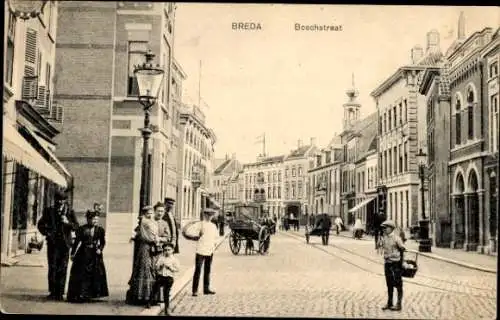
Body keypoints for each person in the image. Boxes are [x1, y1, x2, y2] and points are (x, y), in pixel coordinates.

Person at [37, 190, 79, 301]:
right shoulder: (49, 211)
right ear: (55, 200)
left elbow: (76, 226)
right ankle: (52, 292)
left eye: (62, 200)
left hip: (65, 244)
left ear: (65, 201)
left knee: (63, 268)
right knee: (53, 267)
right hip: (53, 244)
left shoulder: (70, 212)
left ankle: (60, 293)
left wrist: (67, 223)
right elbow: (40, 224)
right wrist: (48, 233)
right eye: (58, 200)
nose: (60, 202)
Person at [67, 210, 109, 302]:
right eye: (93, 219)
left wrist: (100, 249)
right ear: (88, 220)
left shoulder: (100, 230)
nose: (95, 221)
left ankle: (92, 294)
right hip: (83, 253)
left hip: (95, 254)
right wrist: (73, 253)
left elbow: (103, 242)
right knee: (82, 273)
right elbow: (77, 242)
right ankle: (81, 294)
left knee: (95, 273)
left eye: (96, 219)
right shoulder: (82, 229)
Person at [126, 206, 159, 305]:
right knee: (145, 268)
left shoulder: (151, 222)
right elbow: (143, 233)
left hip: (151, 246)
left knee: (151, 268)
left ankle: (149, 295)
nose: (150, 215)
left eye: (151, 213)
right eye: (148, 213)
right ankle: (143, 295)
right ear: (144, 213)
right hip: (145, 247)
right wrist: (154, 240)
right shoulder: (144, 222)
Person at [377, 220, 406, 312]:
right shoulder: (384, 238)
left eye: (386, 228)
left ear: (391, 228)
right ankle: (389, 303)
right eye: (383, 228)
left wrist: (401, 262)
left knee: (398, 284)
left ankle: (399, 304)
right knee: (389, 283)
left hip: (395, 264)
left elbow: (403, 249)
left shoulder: (396, 238)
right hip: (387, 263)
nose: (384, 230)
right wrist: (379, 242)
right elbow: (380, 248)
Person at [146, 242, 180, 315]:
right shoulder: (161, 258)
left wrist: (170, 268)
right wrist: (160, 266)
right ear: (163, 251)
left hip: (169, 278)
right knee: (155, 288)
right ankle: (149, 302)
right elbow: (156, 267)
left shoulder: (174, 259)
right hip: (161, 277)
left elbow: (177, 269)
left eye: (169, 250)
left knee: (166, 292)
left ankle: (167, 308)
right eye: (165, 250)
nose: (167, 252)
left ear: (172, 250)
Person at [191, 208, 218, 296]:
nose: (209, 217)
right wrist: (196, 235)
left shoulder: (213, 226)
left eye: (211, 215)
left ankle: (206, 289)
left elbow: (215, 237)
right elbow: (191, 233)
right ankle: (194, 290)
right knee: (198, 269)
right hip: (200, 250)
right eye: (208, 215)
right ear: (204, 215)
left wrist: (214, 245)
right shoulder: (200, 224)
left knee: (207, 270)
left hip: (209, 250)